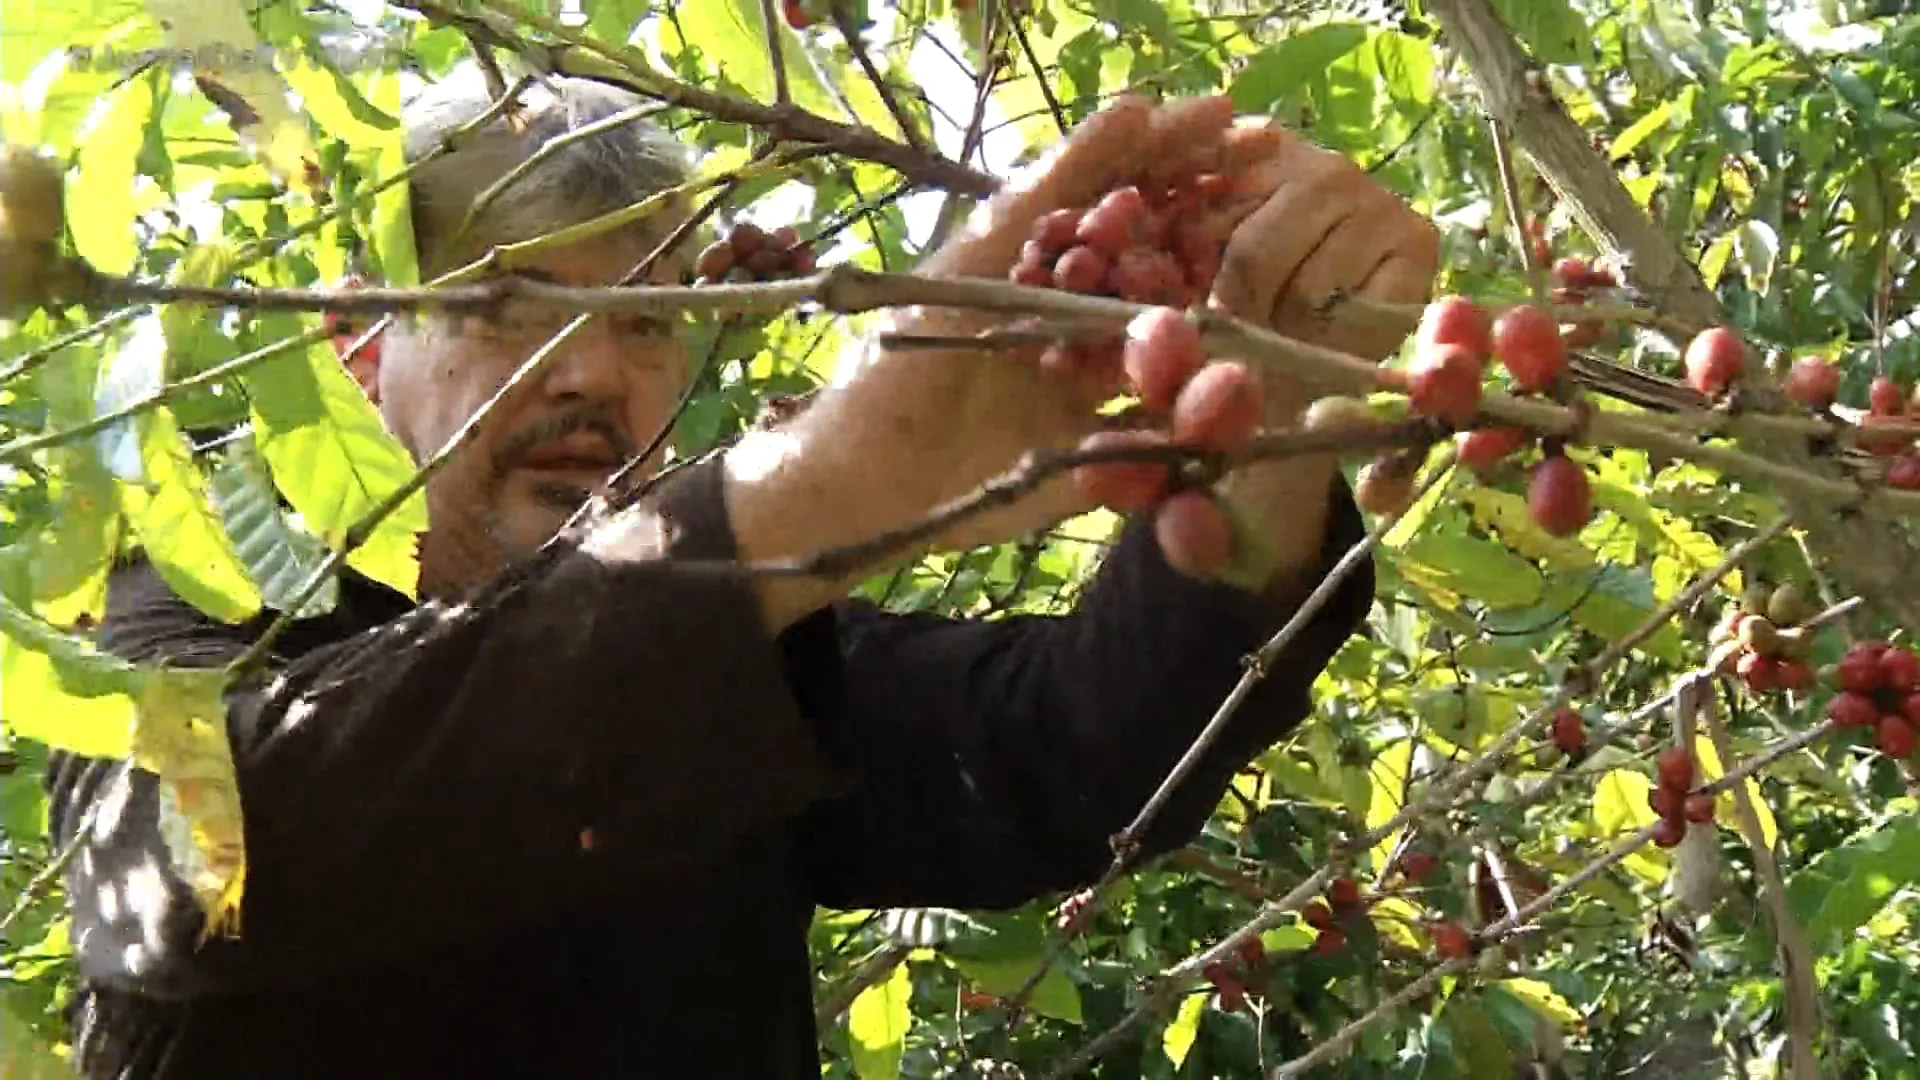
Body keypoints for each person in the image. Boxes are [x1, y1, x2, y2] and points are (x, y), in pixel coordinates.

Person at [43, 63, 1437, 1078]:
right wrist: (822, 488)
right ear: (358, 348)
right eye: (504, 302)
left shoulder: (748, 648)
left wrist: (1273, 431)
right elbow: (187, 870)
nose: (595, 368)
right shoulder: (192, 590)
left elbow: (1057, 753)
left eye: (650, 319)